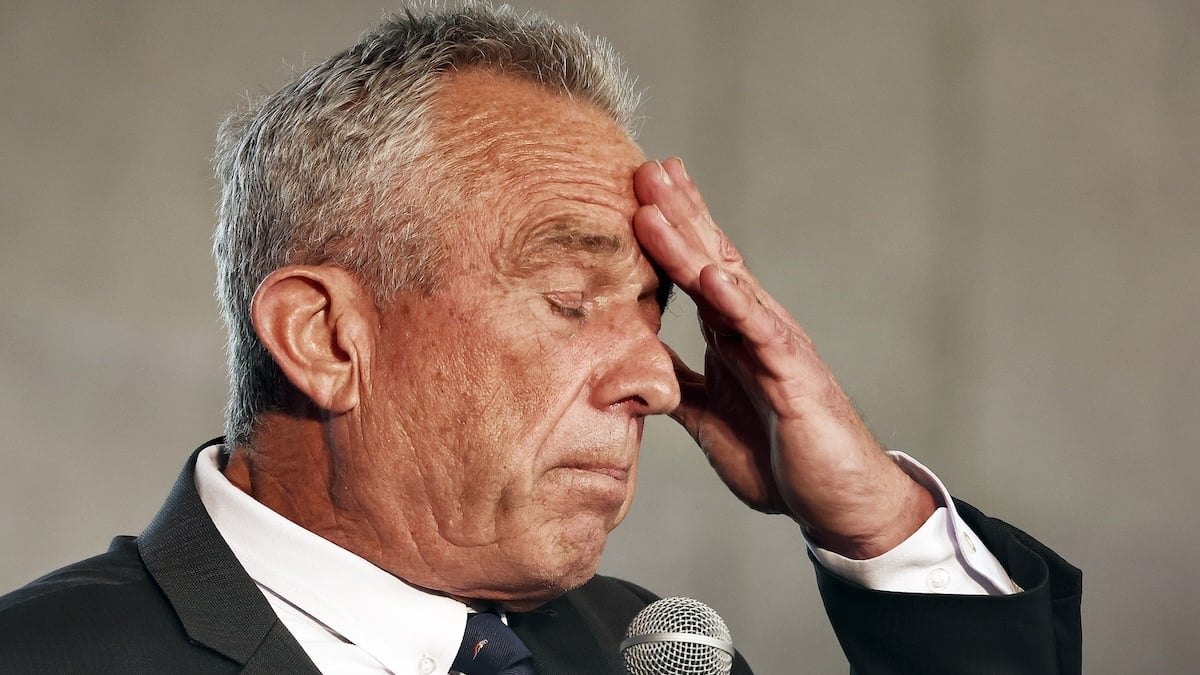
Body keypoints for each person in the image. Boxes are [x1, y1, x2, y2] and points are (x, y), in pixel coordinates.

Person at [0, 4, 1081, 674]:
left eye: (655, 314)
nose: (661, 380)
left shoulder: (650, 654)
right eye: (572, 297)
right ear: (326, 336)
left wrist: (881, 526)